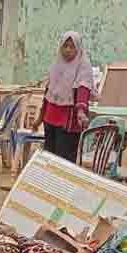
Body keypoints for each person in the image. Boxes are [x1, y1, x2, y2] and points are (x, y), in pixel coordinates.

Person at [35, 30, 93, 161]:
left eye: (72, 47)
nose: (68, 50)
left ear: (78, 48)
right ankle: (49, 182)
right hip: (50, 118)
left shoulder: (83, 66)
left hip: (68, 120)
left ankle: (61, 182)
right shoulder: (57, 64)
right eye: (65, 46)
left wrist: (81, 112)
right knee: (49, 157)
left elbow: (83, 88)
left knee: (63, 160)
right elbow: (48, 91)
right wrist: (40, 117)